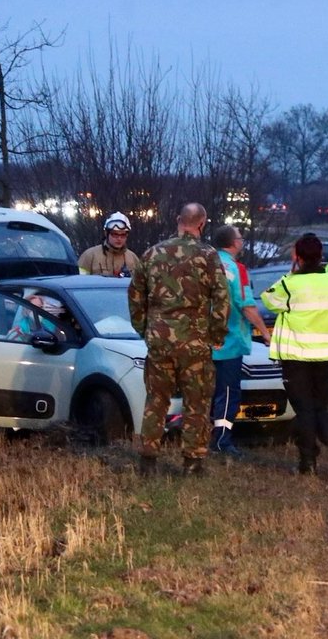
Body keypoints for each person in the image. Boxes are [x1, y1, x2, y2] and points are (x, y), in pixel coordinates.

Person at [128, 203, 230, 477]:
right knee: (197, 402)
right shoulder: (208, 255)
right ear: (202, 224)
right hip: (195, 342)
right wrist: (216, 335)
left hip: (159, 339)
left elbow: (135, 296)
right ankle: (192, 462)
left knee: (156, 400)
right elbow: (222, 298)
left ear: (178, 220)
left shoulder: (152, 253)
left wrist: (144, 329)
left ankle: (148, 461)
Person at [262, 233, 328, 477]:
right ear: (321, 256)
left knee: (304, 409)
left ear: (298, 257)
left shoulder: (290, 284)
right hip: (325, 357)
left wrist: (291, 273)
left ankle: (308, 462)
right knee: (320, 408)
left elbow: (268, 300)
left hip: (295, 359)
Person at [209, 224, 271, 458]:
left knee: (204, 392)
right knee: (227, 393)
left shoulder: (205, 263)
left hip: (200, 341)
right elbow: (246, 305)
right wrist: (264, 333)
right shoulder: (236, 269)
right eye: (240, 238)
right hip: (228, 341)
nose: (242, 241)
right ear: (233, 243)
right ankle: (222, 441)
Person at [79, 212, 139, 277]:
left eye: (123, 235)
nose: (119, 238)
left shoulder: (133, 258)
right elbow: (78, 282)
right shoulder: (89, 256)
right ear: (106, 233)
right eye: (115, 234)